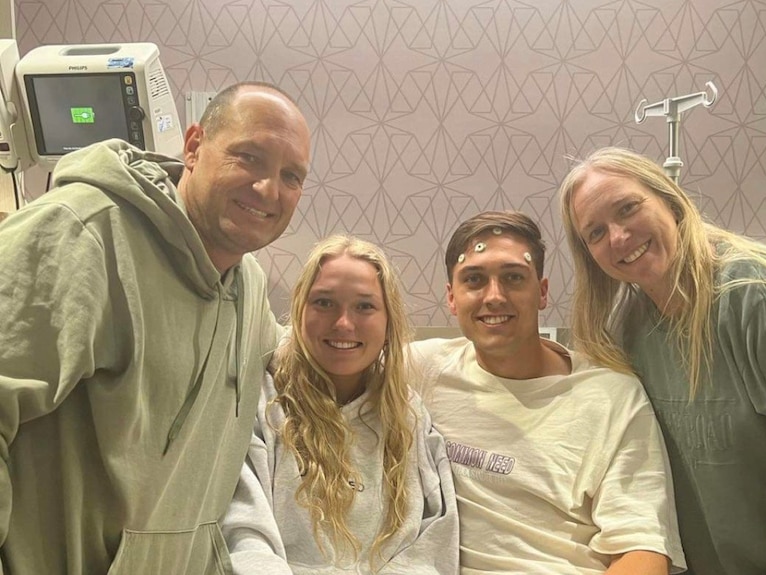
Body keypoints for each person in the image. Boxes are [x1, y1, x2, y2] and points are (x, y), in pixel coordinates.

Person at [0, 81, 311, 574]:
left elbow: (309, 367)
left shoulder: (248, 289)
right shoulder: (81, 235)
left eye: (291, 176)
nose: (269, 189)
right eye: (249, 157)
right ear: (193, 147)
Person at [558, 146, 766, 575]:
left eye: (628, 208)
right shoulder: (628, 330)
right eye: (596, 233)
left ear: (669, 199)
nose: (619, 237)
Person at [410, 211, 686, 575]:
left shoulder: (610, 397)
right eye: (474, 280)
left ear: (541, 292)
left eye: (513, 278)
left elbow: (642, 550)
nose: (494, 296)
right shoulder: (420, 368)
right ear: (451, 298)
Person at [222, 234, 459, 574]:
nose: (343, 323)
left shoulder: (408, 415)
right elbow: (243, 535)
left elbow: (435, 536)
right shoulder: (261, 402)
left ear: (389, 321)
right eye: (324, 302)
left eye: (364, 306)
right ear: (300, 311)